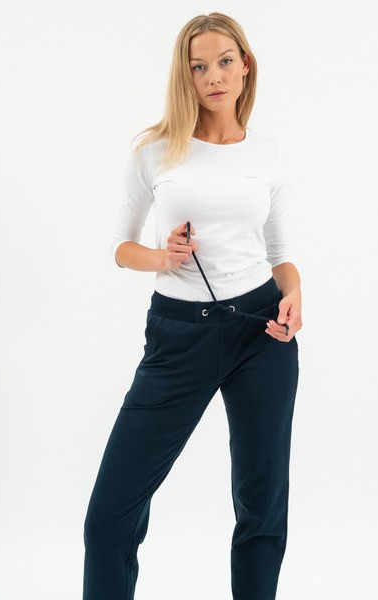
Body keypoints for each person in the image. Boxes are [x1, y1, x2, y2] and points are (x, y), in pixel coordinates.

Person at [82, 11, 302, 600]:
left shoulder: (268, 153)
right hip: (179, 335)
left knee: (261, 510)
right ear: (186, 76)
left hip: (262, 333)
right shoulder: (155, 151)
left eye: (224, 62)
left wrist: (294, 296)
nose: (213, 77)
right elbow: (119, 246)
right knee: (108, 518)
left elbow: (281, 256)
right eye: (199, 67)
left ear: (245, 65)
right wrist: (162, 256)